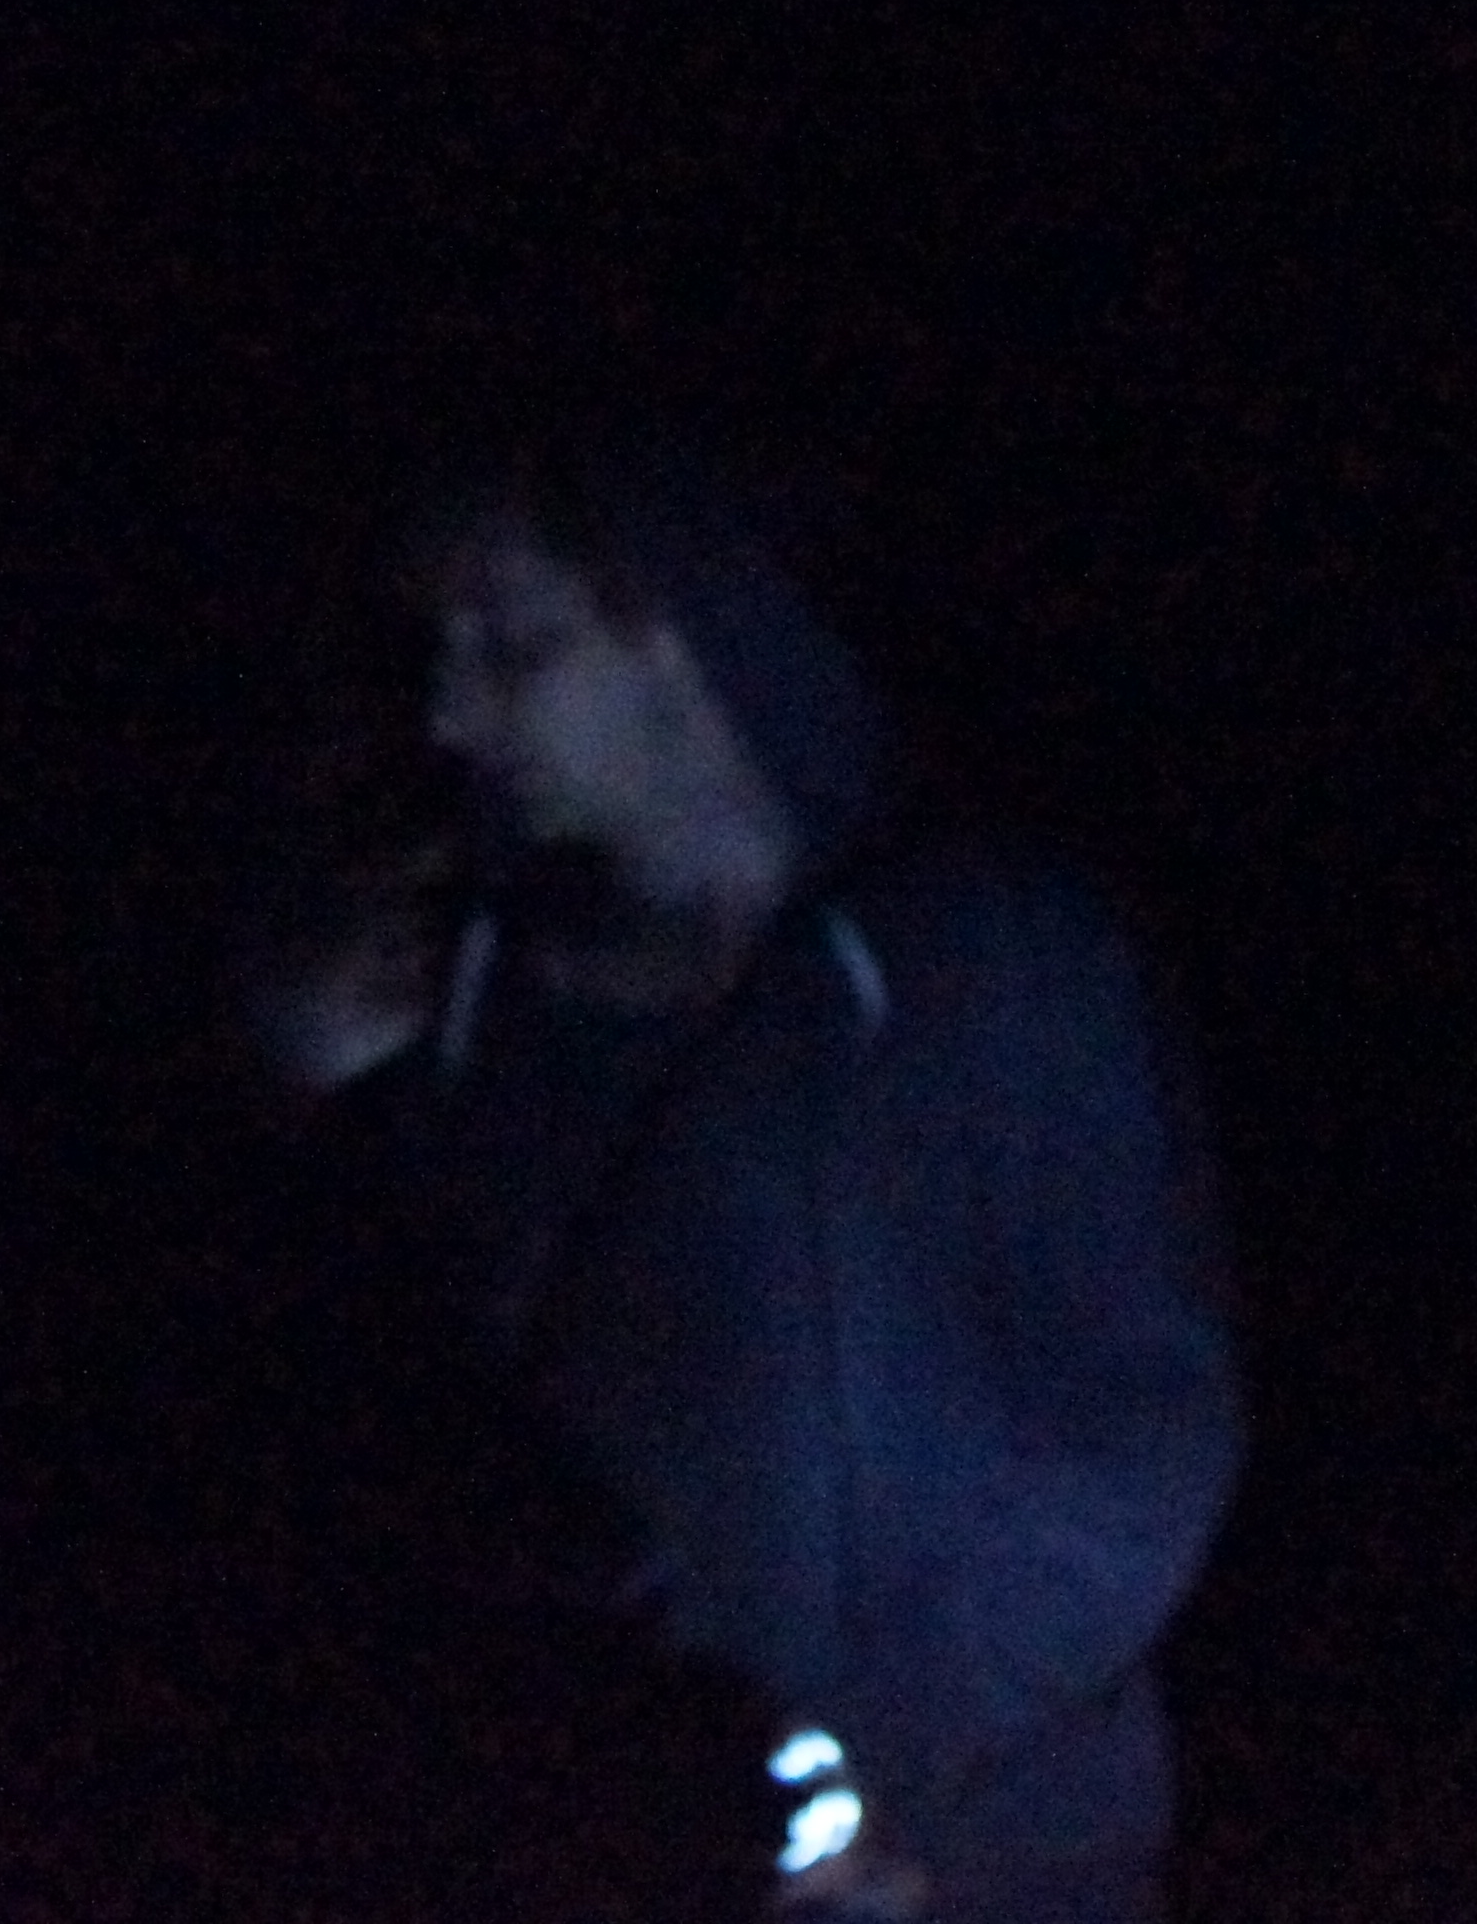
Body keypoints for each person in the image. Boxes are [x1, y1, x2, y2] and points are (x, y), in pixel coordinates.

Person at [238, 425, 1247, 1924]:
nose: (450, 711)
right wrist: (297, 1106)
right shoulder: (470, 998)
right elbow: (420, 1461)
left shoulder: (994, 957)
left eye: (510, 643)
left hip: (986, 1876)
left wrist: (866, 1752)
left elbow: (1140, 1429)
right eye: (439, 652)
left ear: (698, 628)